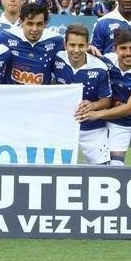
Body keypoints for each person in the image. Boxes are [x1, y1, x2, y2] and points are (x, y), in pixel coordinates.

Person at [75, 29, 131, 167]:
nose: (128, 53)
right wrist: (88, 48)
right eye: (123, 48)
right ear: (115, 49)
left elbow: (130, 108)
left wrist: (96, 114)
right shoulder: (106, 61)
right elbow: (78, 51)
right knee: (114, 166)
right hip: (117, 122)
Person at [53, 24, 112, 164]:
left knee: (103, 169)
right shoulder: (56, 59)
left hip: (92, 127)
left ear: (88, 46)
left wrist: (93, 104)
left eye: (81, 45)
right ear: (65, 45)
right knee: (56, 169)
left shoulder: (100, 68)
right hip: (61, 126)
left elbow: (106, 100)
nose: (76, 50)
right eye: (72, 45)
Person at [0, 2, 64, 85]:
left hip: (41, 96)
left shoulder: (56, 41)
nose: (34, 29)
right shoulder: (5, 37)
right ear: (21, 22)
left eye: (39, 24)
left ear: (45, 24)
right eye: (30, 24)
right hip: (12, 95)